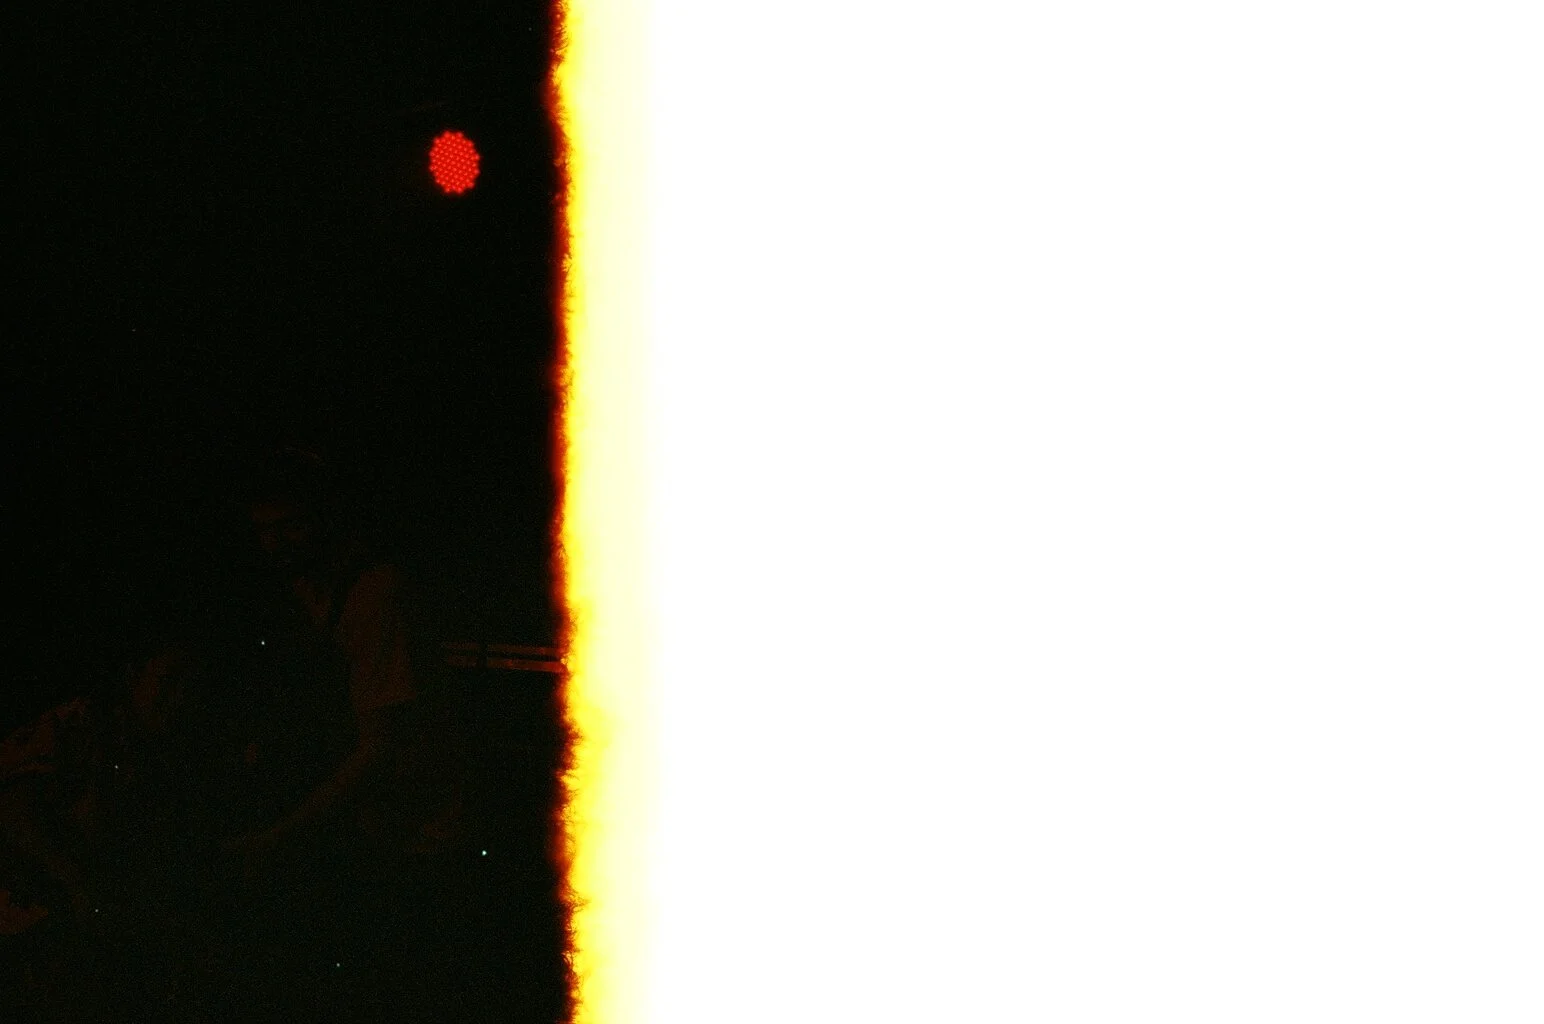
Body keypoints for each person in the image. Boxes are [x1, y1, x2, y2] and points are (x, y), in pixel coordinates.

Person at [215, 447, 467, 1019]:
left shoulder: (374, 594)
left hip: (409, 832)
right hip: (358, 823)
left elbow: (383, 746)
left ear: (326, 518)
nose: (276, 544)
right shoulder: (304, 592)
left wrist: (279, 835)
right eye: (265, 531)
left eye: (291, 526)